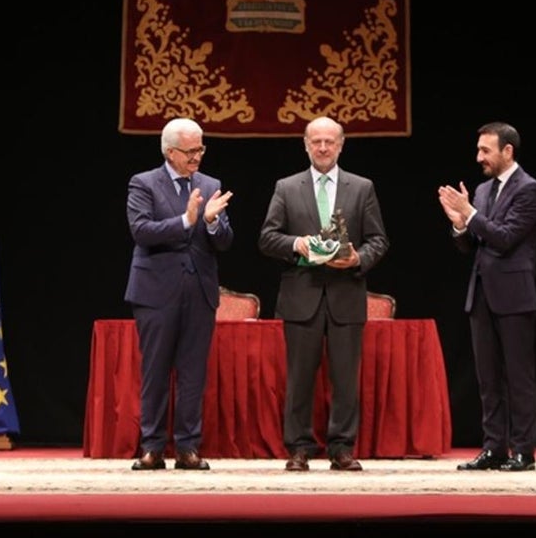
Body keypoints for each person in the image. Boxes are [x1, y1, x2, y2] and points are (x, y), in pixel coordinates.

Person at [258, 116, 389, 472]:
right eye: (316, 141)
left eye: (329, 141)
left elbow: (379, 240)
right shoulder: (286, 187)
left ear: (341, 145)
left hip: (347, 296)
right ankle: (299, 448)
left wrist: (359, 258)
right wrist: (297, 243)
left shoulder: (362, 187)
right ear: (305, 144)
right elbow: (267, 237)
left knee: (346, 380)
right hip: (302, 297)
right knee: (299, 378)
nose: (323, 147)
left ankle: (342, 448)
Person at [124, 118, 234, 471]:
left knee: (192, 374)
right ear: (170, 152)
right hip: (156, 291)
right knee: (155, 371)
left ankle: (188, 447)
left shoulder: (210, 184)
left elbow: (224, 242)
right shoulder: (143, 183)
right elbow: (141, 231)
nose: (197, 157)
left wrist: (213, 223)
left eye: (201, 149)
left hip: (199, 291)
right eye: (190, 151)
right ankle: (152, 447)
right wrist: (187, 221)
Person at [438, 121, 536, 473]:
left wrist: (470, 215)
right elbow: (473, 244)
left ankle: (523, 452)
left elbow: (505, 237)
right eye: (479, 149)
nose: (479, 156)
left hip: (514, 295)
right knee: (487, 378)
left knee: (518, 376)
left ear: (507, 151)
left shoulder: (530, 189)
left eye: (486, 150)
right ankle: (494, 448)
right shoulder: (482, 191)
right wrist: (458, 223)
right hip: (481, 294)